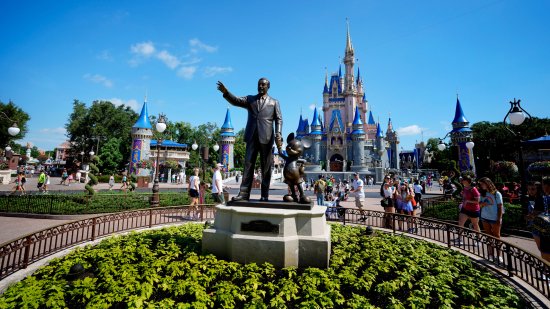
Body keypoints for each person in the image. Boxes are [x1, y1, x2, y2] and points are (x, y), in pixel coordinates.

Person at [217, 78, 283, 202]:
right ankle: (244, 193)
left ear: (268, 86)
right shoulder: (250, 99)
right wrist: (226, 92)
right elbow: (236, 100)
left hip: (267, 138)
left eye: (263, 84)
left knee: (266, 168)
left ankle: (264, 194)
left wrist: (278, 132)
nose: (260, 86)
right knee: (248, 165)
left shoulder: (274, 102)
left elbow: (279, 119)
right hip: (252, 137)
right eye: (259, 84)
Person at [478, 177, 504, 264]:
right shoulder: (483, 193)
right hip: (485, 217)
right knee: (488, 235)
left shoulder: (497, 194)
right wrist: (482, 204)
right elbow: (479, 204)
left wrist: (499, 218)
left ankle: (499, 255)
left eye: (482, 184)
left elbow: (500, 207)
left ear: (488, 183)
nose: (481, 186)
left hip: (494, 218)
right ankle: (490, 254)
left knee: (497, 236)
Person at [454, 175, 481, 245]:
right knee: (460, 223)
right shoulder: (465, 188)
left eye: (463, 180)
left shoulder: (473, 189)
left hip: (474, 210)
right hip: (465, 208)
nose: (462, 181)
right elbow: (464, 197)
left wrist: (468, 201)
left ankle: (478, 240)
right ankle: (460, 239)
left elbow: (478, 201)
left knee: (475, 225)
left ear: (467, 181)